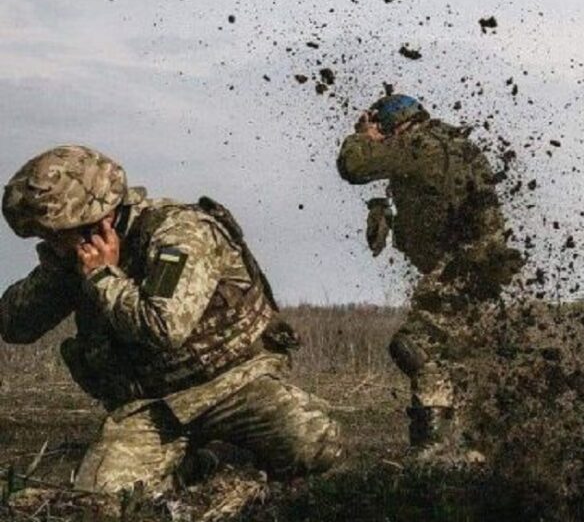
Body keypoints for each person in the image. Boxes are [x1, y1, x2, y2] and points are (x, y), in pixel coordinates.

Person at [0, 145, 342, 493]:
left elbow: (163, 327)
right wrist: (61, 272)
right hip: (153, 408)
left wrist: (104, 278)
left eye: (56, 235)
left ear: (100, 220)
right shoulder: (77, 256)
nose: (52, 244)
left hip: (234, 385)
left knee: (313, 442)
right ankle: (197, 464)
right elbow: (14, 326)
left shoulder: (179, 234)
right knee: (103, 495)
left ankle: (225, 457)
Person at [337, 94, 523, 459]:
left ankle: (435, 446)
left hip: (463, 270)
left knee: (416, 346)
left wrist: (361, 136)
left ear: (395, 126)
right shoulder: (453, 144)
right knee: (460, 356)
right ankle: (482, 443)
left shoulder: (418, 144)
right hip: (479, 269)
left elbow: (354, 167)